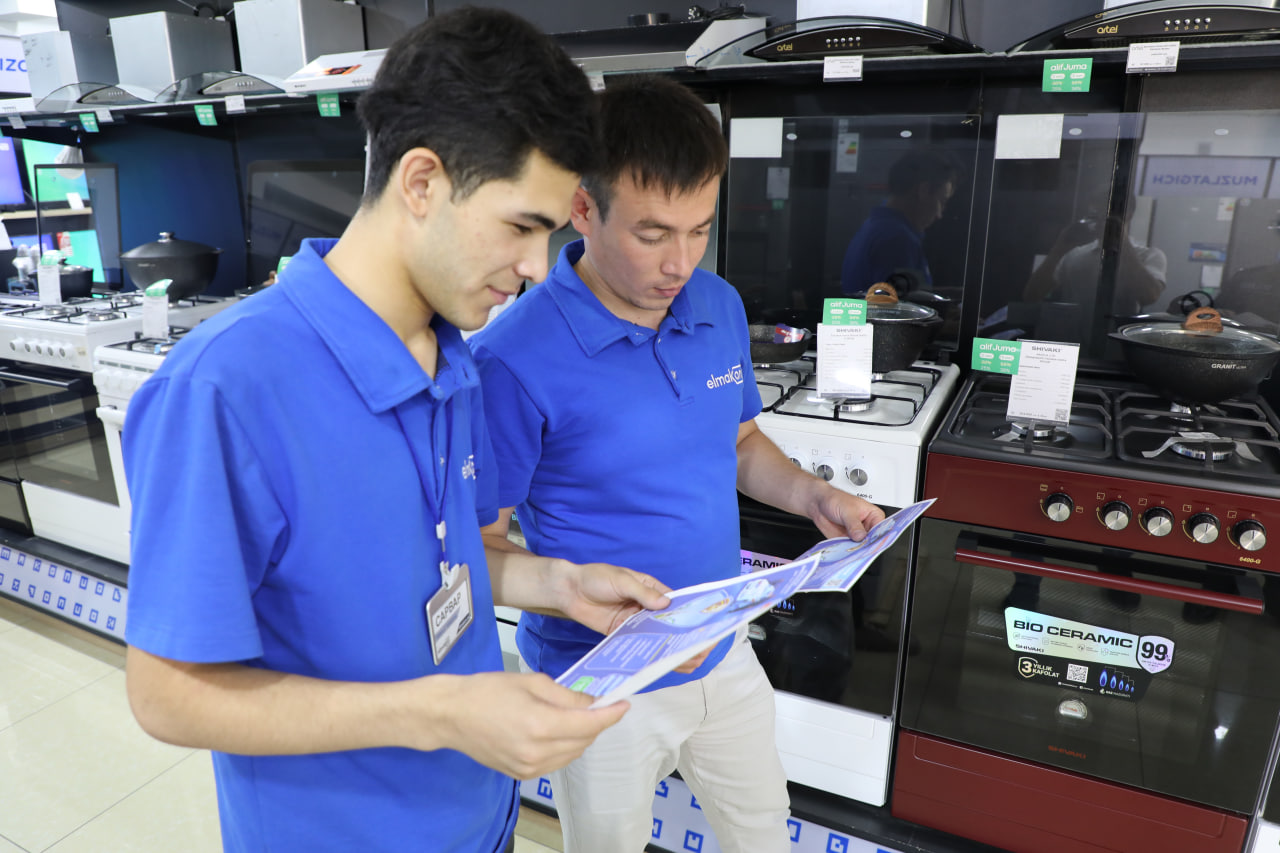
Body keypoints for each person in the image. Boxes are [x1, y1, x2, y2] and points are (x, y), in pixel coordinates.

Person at [120, 10, 674, 853]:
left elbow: (440, 560)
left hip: (478, 815)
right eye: (523, 226)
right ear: (421, 182)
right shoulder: (226, 387)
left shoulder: (455, 356)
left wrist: (560, 584)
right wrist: (438, 713)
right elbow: (166, 694)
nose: (538, 267)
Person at [470, 76, 885, 853]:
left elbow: (738, 442)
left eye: (699, 229)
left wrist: (812, 496)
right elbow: (478, 550)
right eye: (654, 233)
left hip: (723, 648)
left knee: (762, 829)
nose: (681, 262)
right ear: (583, 208)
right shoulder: (512, 359)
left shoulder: (717, 304)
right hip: (601, 677)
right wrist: (577, 594)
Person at [840, 149, 958, 296]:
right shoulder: (897, 239)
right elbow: (900, 305)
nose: (939, 215)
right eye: (942, 201)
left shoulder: (875, 226)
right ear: (924, 190)